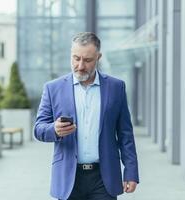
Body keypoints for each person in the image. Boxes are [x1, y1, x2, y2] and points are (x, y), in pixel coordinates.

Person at [34, 32, 139, 200]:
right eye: (76, 58)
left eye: (87, 60)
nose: (80, 65)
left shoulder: (116, 87)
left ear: (98, 57)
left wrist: (131, 171)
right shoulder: (53, 88)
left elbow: (125, 134)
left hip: (104, 179)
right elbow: (38, 129)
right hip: (69, 178)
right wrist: (54, 129)